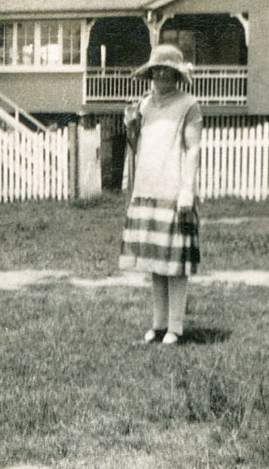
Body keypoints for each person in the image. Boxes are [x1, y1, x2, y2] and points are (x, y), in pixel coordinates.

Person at [119, 44, 202, 345]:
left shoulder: (189, 105)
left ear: (178, 75)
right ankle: (158, 324)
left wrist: (187, 191)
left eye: (169, 71)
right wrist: (130, 125)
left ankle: (176, 327)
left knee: (174, 265)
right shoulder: (144, 105)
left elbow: (193, 150)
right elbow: (136, 145)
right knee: (155, 263)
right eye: (158, 71)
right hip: (147, 188)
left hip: (174, 190)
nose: (162, 76)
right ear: (151, 73)